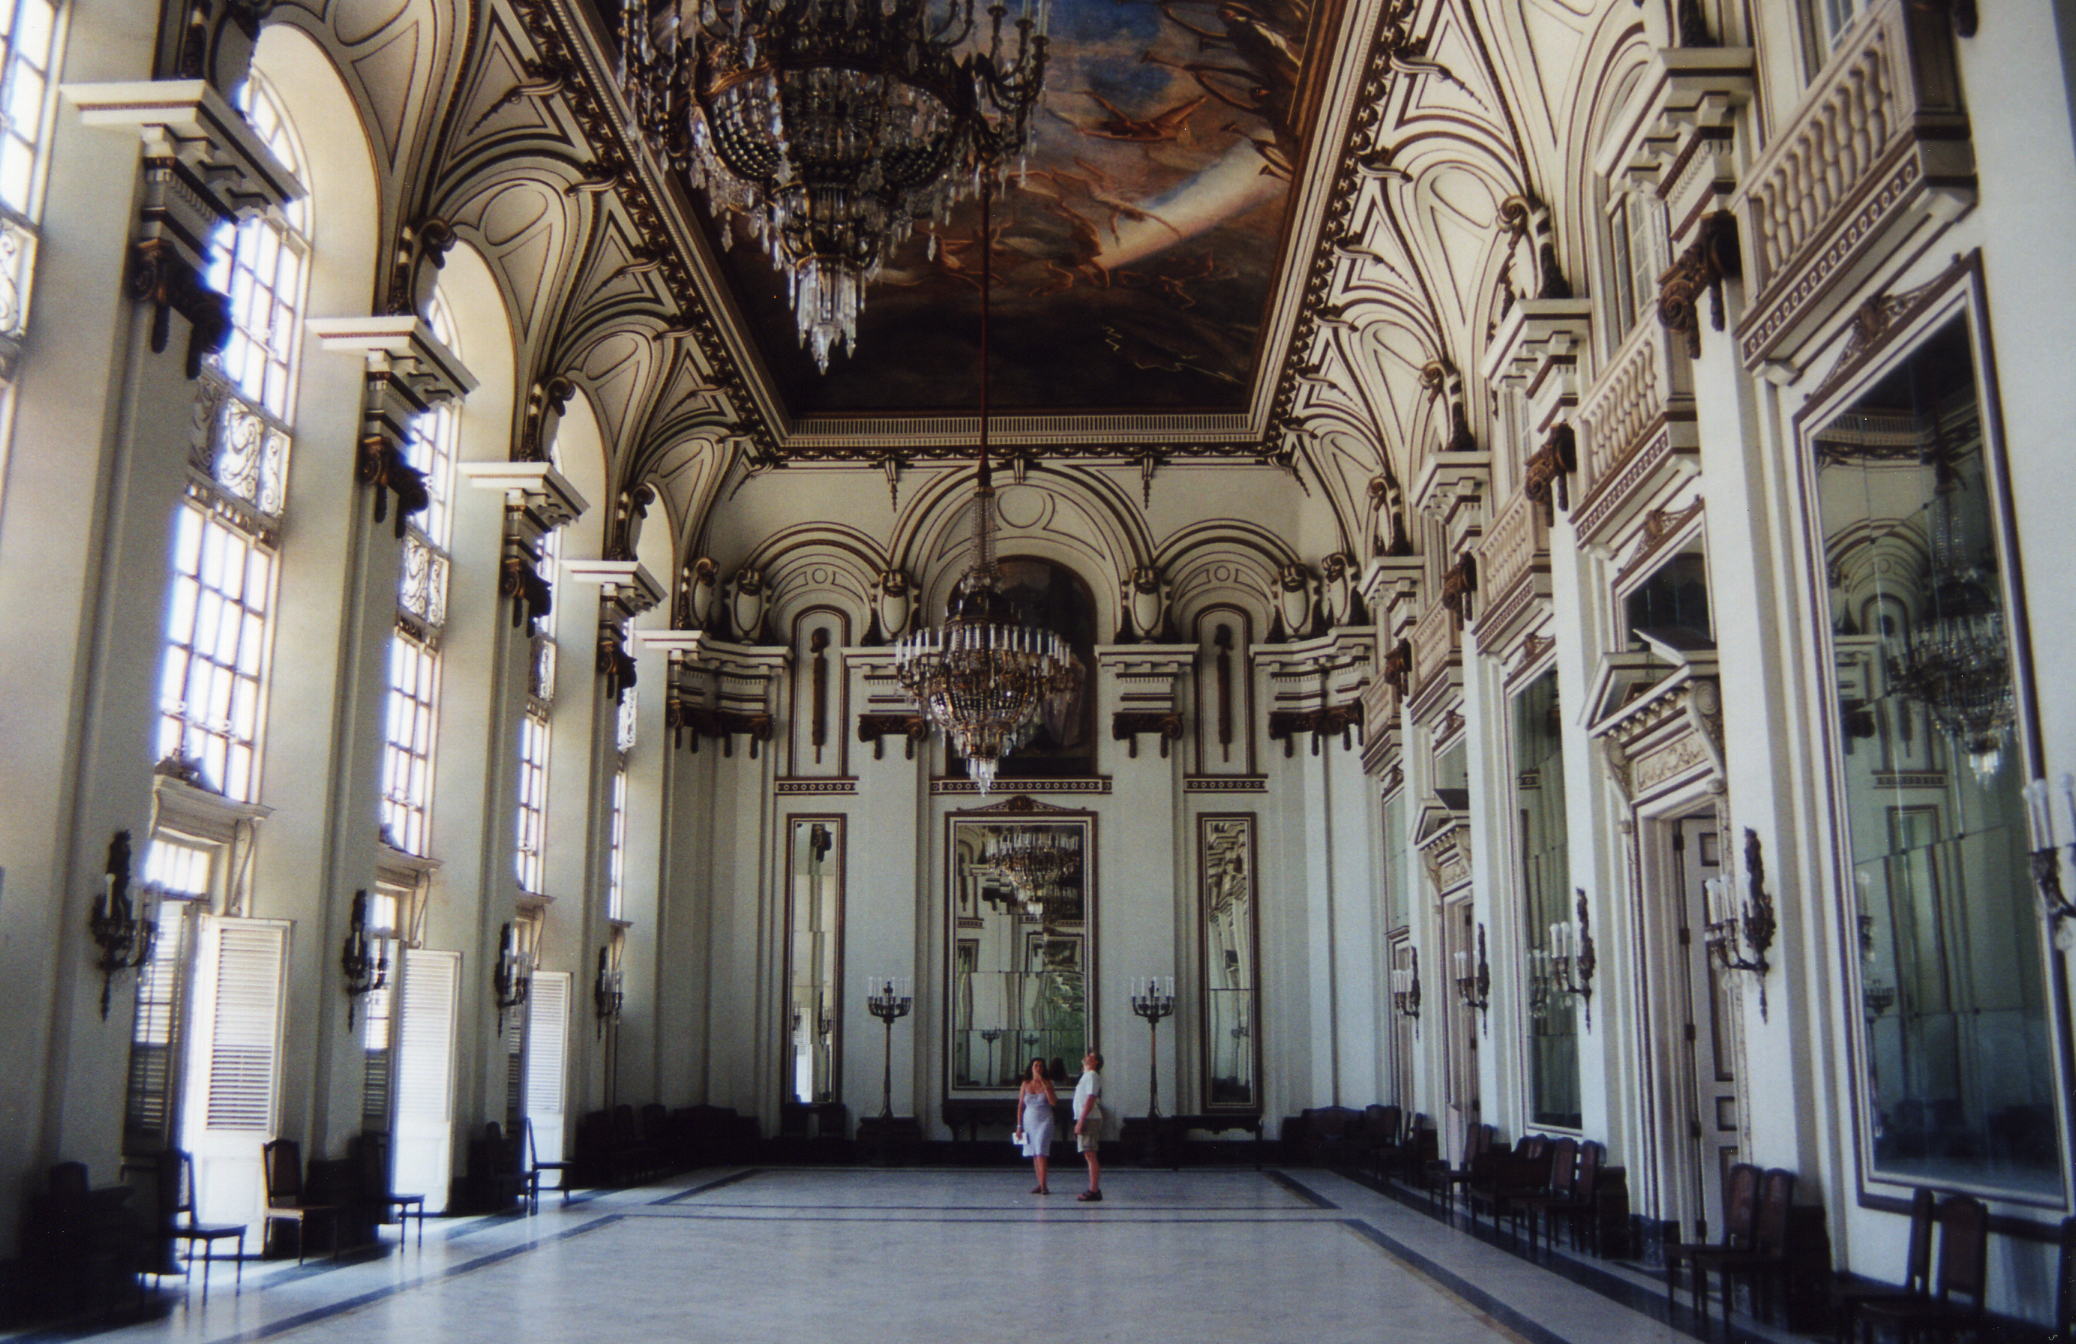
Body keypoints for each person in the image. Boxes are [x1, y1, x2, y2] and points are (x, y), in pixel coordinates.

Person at [1014, 1057, 1057, 1194]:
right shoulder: (1025, 1084)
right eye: (1036, 1065)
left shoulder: (1048, 1083)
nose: (1038, 1068)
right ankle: (1040, 1182)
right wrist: (1019, 1126)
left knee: (1041, 1150)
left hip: (1044, 1119)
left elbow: (1053, 1102)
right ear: (1031, 1068)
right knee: (1034, 1151)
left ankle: (1044, 1185)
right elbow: (1020, 1106)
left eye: (1041, 1066)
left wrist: (1044, 1084)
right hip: (1029, 1120)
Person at [1073, 1050, 1105, 1201]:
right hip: (1086, 1117)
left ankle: (1094, 1189)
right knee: (1088, 1153)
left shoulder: (1092, 1075)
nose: (1086, 1057)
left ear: (1096, 1062)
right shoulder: (1086, 1076)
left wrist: (1081, 1120)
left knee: (1090, 1153)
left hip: (1089, 1118)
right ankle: (1093, 1188)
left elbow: (1090, 1098)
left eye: (1090, 1056)